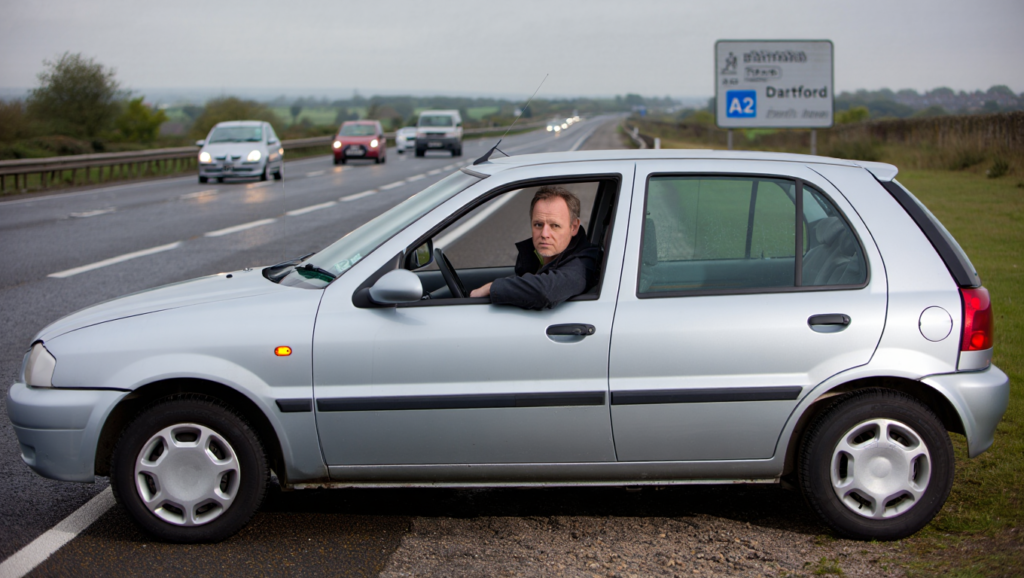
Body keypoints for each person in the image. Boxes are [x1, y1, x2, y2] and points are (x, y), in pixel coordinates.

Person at [469, 186, 601, 310]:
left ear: (574, 227)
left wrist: (492, 288)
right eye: (538, 224)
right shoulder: (543, 256)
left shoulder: (584, 264)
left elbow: (546, 291)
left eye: (555, 226)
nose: (544, 234)